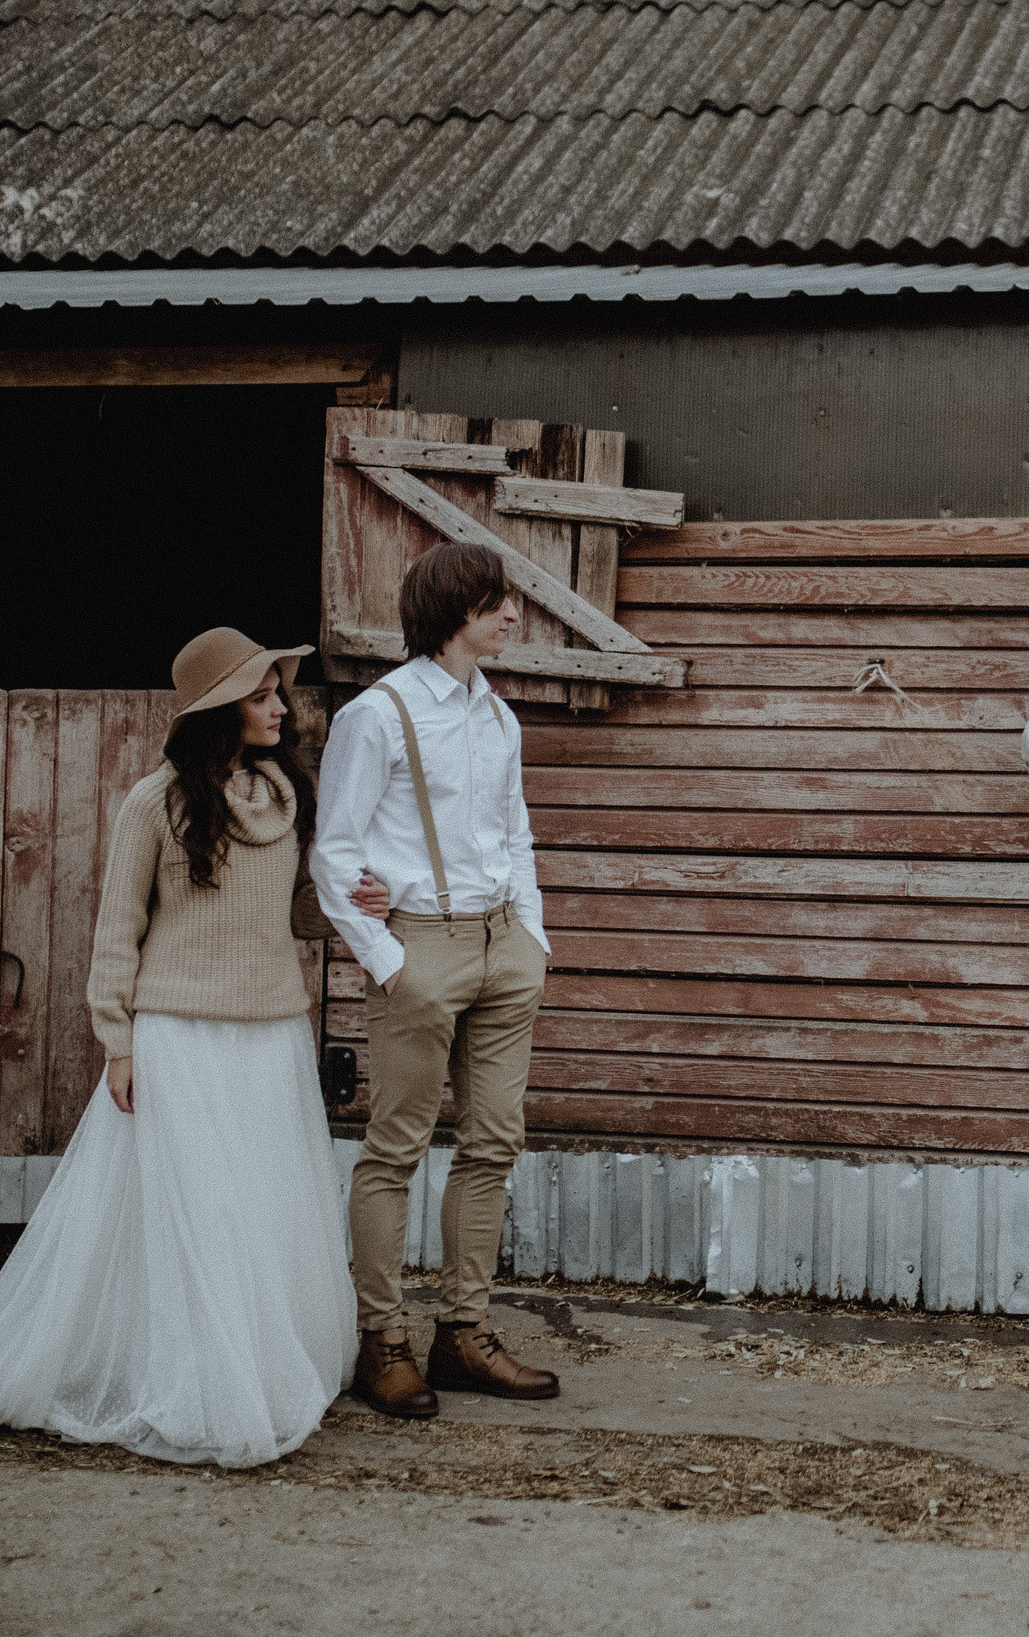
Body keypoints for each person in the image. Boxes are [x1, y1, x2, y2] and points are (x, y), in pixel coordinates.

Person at [0, 628, 369, 1467]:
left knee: (260, 1204)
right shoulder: (154, 802)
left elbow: (291, 918)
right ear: (222, 708)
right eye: (263, 694)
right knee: (202, 1213)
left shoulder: (287, 794)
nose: (280, 707)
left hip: (270, 1033)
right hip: (178, 1034)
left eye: (277, 692)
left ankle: (258, 1369)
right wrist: (119, 1042)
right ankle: (199, 1384)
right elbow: (118, 933)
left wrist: (343, 898)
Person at [312, 542, 559, 1419]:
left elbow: (516, 833)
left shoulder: (499, 716)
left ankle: (463, 1333)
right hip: (419, 951)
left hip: (502, 949)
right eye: (498, 601)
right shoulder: (378, 715)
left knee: (493, 1141)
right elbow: (334, 854)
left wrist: (532, 940)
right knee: (395, 1149)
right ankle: (382, 1340)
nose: (512, 615)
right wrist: (390, 961)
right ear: (457, 609)